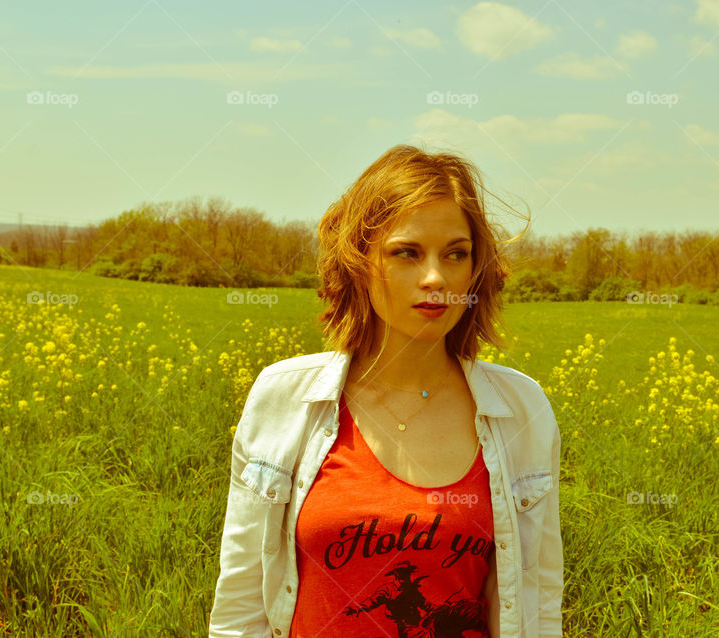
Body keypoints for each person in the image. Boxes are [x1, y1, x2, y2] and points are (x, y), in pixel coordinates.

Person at [208, 144, 563, 638]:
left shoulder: (520, 411)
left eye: (456, 254)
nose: (435, 277)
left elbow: (539, 604)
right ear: (359, 262)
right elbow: (241, 608)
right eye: (407, 253)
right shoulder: (284, 399)